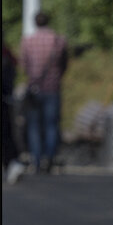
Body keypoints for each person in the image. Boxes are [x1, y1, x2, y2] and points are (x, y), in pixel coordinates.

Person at [19, 11, 68, 174]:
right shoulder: (58, 40)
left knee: (34, 125)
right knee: (51, 125)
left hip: (34, 88)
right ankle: (49, 158)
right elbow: (64, 64)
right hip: (53, 88)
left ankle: (37, 159)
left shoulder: (28, 41)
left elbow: (23, 65)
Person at [2, 41, 25, 184]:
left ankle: (12, 164)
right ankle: (13, 163)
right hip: (5, 99)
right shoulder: (6, 52)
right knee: (6, 134)